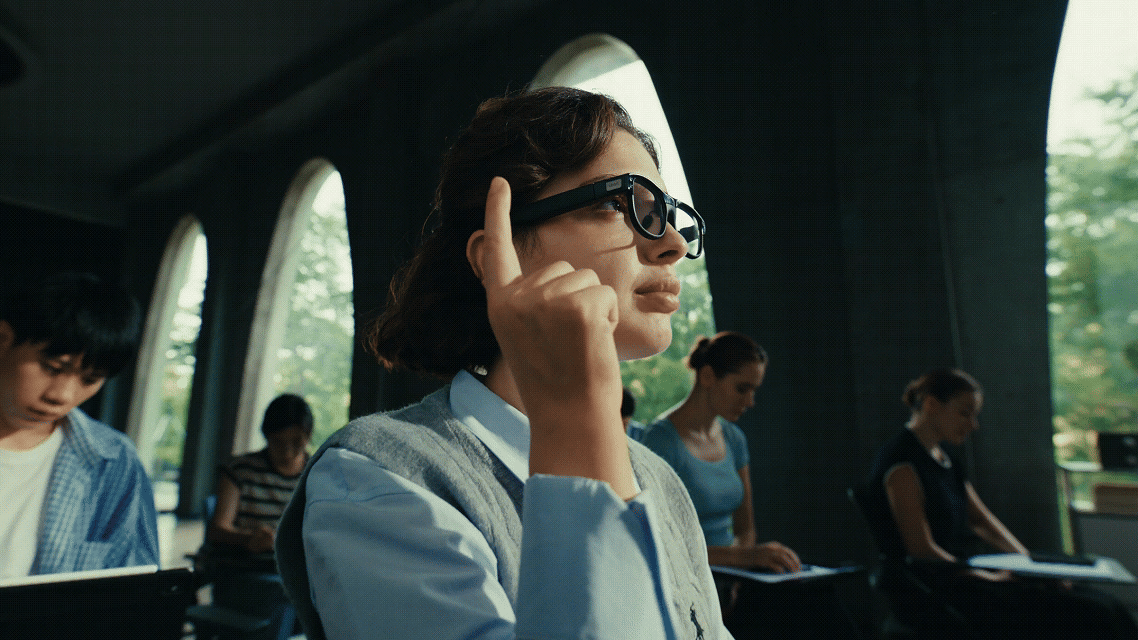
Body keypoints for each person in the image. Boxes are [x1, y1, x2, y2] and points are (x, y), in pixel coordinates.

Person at [275, 86, 724, 640]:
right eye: (619, 203)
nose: (672, 243)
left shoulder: (659, 480)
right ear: (494, 257)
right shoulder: (378, 479)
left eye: (667, 215)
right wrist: (572, 414)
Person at [865, 367, 1138, 639]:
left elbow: (980, 520)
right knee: (1088, 613)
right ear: (931, 405)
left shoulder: (945, 459)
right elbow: (922, 551)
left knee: (1101, 603)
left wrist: (1030, 565)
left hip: (968, 575)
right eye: (964, 413)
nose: (973, 425)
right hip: (938, 585)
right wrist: (987, 576)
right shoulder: (902, 464)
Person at [641, 333, 860, 639]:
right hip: (690, 580)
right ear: (708, 376)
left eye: (754, 390)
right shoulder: (661, 441)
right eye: (742, 389)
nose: (750, 402)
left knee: (819, 600)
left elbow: (746, 528)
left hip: (734, 577)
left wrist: (740, 573)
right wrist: (743, 560)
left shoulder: (733, 438)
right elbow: (661, 544)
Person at [0, 271, 158, 577]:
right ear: (3, 340)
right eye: (52, 368)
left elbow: (134, 586)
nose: (61, 396)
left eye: (90, 379)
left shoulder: (113, 463)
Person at [204, 393, 313, 640]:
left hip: (294, 573)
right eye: (278, 442)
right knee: (292, 591)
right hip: (243, 575)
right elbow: (217, 530)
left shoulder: (316, 474)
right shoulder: (240, 470)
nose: (288, 450)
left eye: (297, 441)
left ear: (308, 436)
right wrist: (248, 539)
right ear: (266, 436)